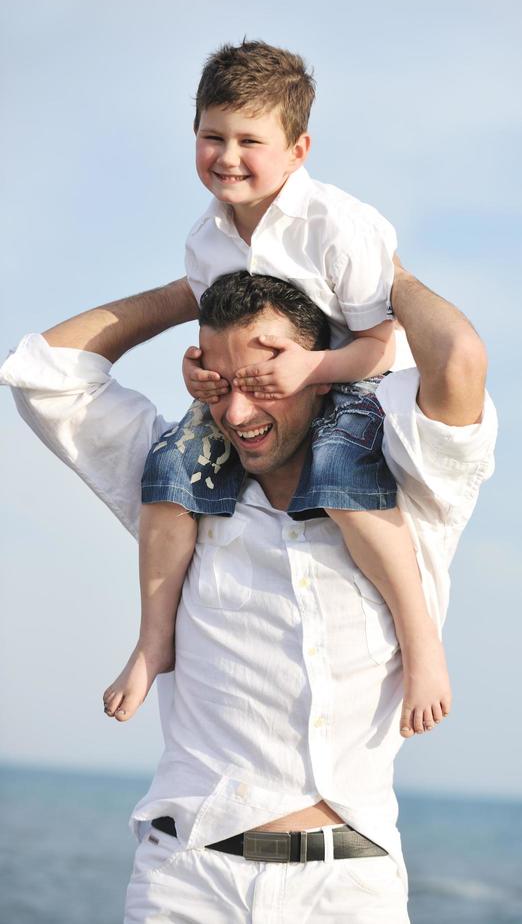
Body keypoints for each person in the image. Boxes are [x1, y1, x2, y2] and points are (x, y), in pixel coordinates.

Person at [1, 262, 496, 922]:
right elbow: (44, 374)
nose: (238, 412)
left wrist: (380, 271)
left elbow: (459, 359)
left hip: (349, 891)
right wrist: (190, 293)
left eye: (263, 382)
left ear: (317, 373)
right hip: (189, 882)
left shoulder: (413, 497)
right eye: (221, 382)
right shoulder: (177, 489)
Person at [102, 40, 449, 739]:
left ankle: (424, 646)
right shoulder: (205, 242)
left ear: (298, 149)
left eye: (249, 140)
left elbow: (383, 342)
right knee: (170, 470)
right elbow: (212, 337)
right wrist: (196, 374)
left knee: (344, 475)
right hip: (254, 389)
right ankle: (153, 638)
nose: (227, 157)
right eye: (211, 137)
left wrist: (309, 371)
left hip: (350, 380)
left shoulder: (338, 229)